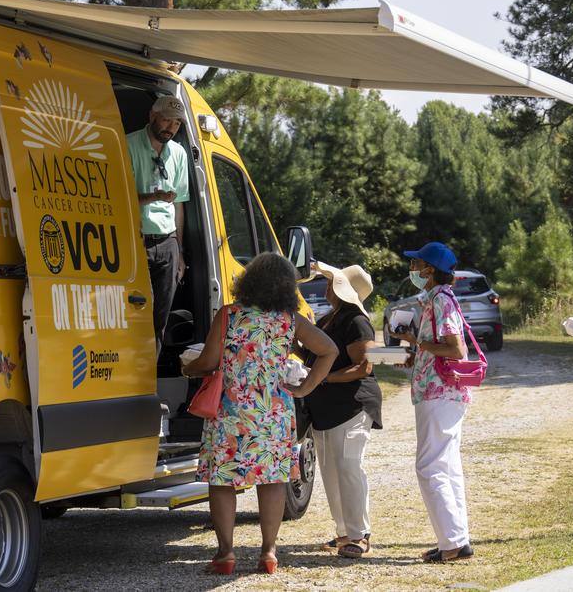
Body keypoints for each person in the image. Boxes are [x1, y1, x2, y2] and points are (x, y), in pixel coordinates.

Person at [182, 253, 338, 574]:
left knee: (223, 481)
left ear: (248, 280)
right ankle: (268, 552)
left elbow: (209, 362)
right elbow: (329, 350)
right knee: (272, 481)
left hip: (231, 412)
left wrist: (188, 368)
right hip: (274, 413)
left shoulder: (229, 316)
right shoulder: (289, 320)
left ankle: (226, 553)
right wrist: (305, 388)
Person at [390, 241, 474, 563]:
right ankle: (456, 539)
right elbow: (440, 347)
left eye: (418, 264)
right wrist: (414, 356)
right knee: (447, 467)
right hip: (444, 393)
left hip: (438, 394)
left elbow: (455, 350)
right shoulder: (438, 299)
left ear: (430, 270)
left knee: (429, 467)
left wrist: (416, 342)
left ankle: (452, 543)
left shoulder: (441, 300)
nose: (413, 269)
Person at [304, 262, 381, 559]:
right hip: (327, 406)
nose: (326, 288)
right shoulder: (330, 319)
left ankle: (359, 535)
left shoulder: (356, 320)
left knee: (348, 468)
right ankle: (344, 533)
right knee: (331, 472)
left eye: (332, 284)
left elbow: (365, 366)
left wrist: (323, 378)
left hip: (351, 405)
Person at [126, 95, 190, 355]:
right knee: (135, 315)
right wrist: (154, 197)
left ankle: (147, 382)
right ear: (152, 115)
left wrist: (180, 251)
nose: (171, 128)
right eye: (166, 120)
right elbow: (120, 197)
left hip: (167, 243)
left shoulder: (179, 153)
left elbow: (179, 205)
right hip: (136, 241)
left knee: (158, 320)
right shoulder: (127, 144)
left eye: (176, 124)